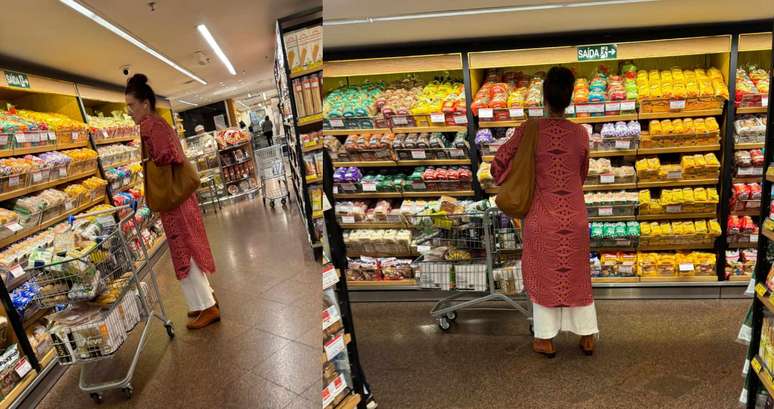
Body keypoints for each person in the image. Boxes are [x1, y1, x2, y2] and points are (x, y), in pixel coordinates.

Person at [491, 67, 598, 357]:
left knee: (542, 275)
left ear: (544, 95)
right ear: (570, 96)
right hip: (575, 216)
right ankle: (587, 335)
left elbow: (498, 164)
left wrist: (517, 176)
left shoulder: (528, 129)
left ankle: (545, 339)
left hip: (541, 216)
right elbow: (582, 173)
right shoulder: (580, 134)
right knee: (577, 276)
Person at [125, 74, 221, 330]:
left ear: (145, 104)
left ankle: (207, 307)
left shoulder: (150, 126)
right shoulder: (159, 123)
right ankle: (205, 300)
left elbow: (165, 157)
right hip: (180, 197)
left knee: (184, 250)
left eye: (132, 106)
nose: (130, 112)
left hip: (173, 200)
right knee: (189, 245)